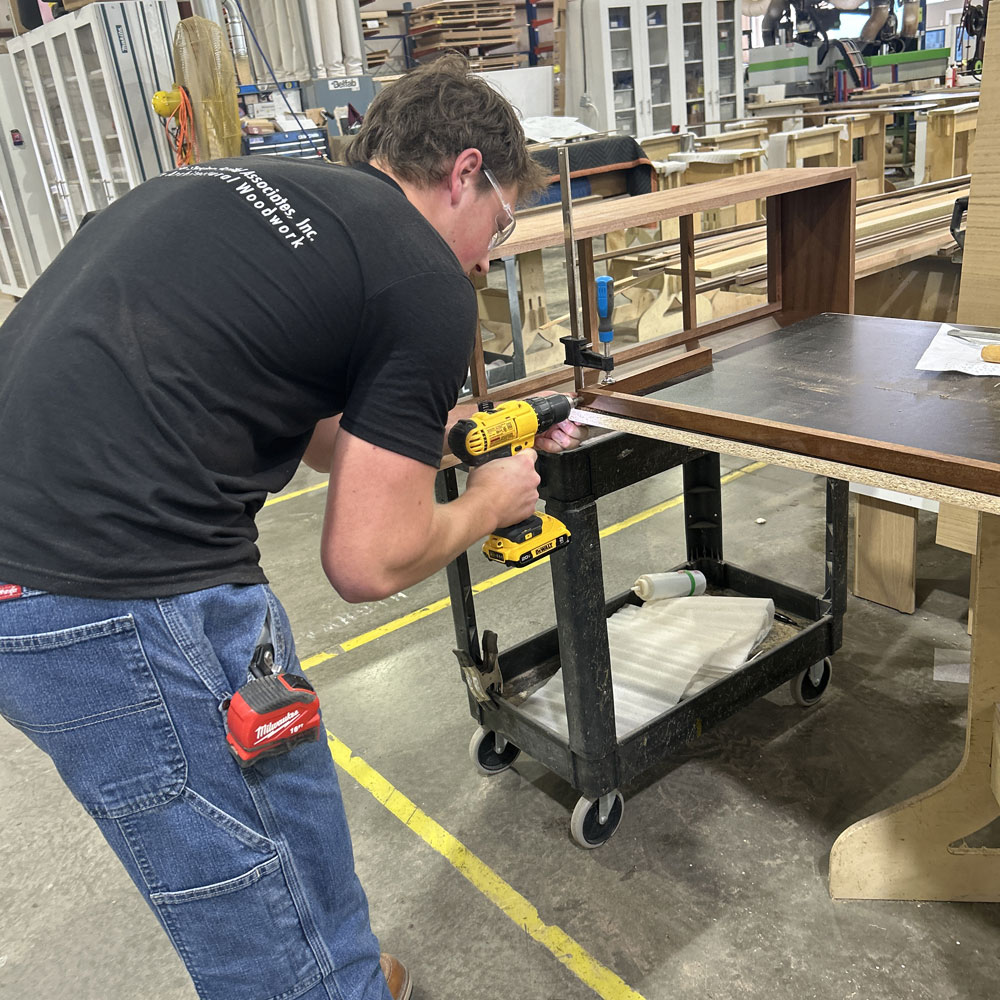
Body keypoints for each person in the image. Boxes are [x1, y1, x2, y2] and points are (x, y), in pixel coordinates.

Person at [0, 55, 582, 1000]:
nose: (485, 258)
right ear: (464, 173)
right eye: (500, 226)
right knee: (242, 887)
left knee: (285, 800)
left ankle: (342, 973)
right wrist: (490, 503)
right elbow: (363, 559)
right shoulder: (422, 272)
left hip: (46, 558)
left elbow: (304, 421)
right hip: (114, 592)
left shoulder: (247, 193)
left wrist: (455, 434)